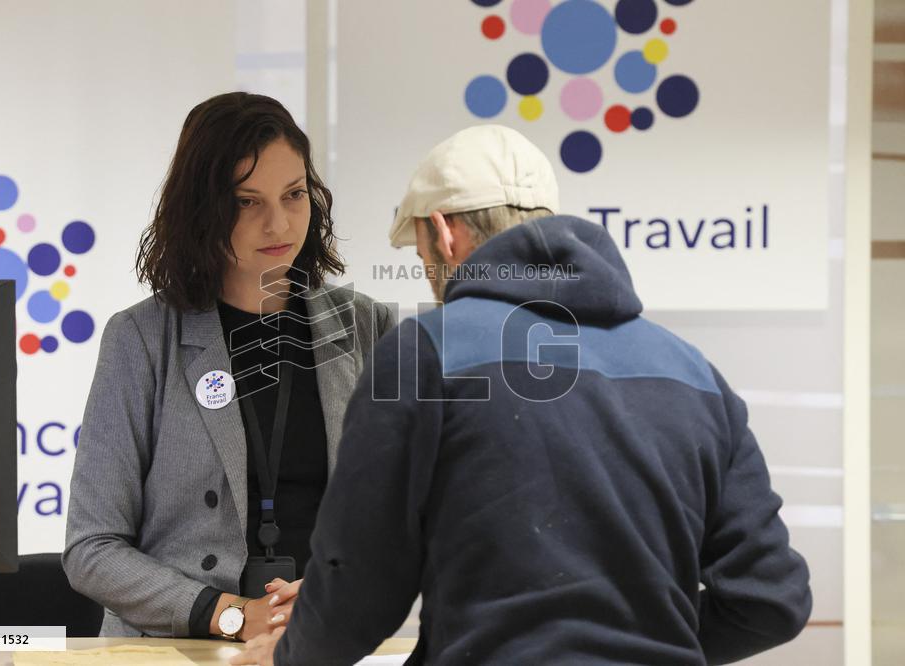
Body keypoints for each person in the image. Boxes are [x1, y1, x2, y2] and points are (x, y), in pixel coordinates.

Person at [233, 125, 812, 665]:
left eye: (423, 261)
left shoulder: (424, 355)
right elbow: (771, 599)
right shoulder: (694, 373)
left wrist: (288, 654)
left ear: (444, 233)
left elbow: (360, 586)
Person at [63, 92, 395, 641]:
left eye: (294, 195)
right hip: (176, 649)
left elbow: (404, 519)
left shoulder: (368, 327)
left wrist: (339, 590)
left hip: (324, 644)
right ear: (202, 208)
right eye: (246, 202)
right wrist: (228, 612)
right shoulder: (141, 339)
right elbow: (91, 549)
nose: (279, 223)